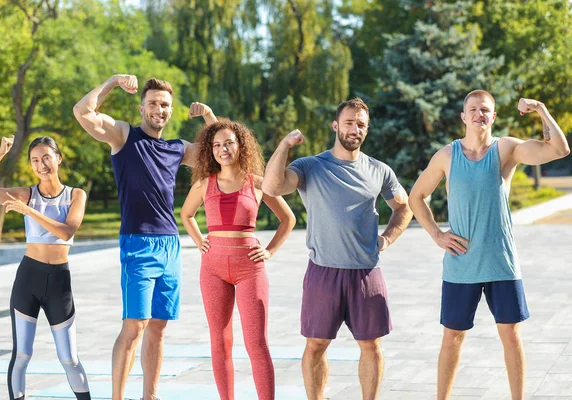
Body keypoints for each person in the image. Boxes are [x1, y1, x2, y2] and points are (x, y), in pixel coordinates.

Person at [408, 90, 570, 400]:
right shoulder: (447, 155)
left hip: (501, 262)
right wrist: (436, 234)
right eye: (473, 109)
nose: (479, 114)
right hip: (461, 264)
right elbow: (416, 196)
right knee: (452, 338)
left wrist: (540, 109)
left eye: (485, 109)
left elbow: (559, 149)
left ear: (493, 117)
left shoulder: (506, 149)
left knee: (511, 336)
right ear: (464, 116)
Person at [73, 74, 217, 400]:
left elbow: (224, 152)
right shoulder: (124, 136)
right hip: (138, 244)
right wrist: (111, 81)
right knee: (134, 325)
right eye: (152, 103)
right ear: (142, 107)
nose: (159, 109)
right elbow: (82, 111)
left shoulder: (177, 148)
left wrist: (208, 116)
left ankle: (149, 396)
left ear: (171, 110)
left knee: (159, 327)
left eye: (164, 104)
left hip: (170, 245)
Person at [262, 98, 413, 400]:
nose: (354, 129)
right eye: (349, 122)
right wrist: (284, 146)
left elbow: (404, 207)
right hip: (323, 272)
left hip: (366, 273)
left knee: (371, 345)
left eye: (361, 125)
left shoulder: (379, 170)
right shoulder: (310, 167)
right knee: (316, 344)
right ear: (336, 125)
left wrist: (386, 239)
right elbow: (273, 187)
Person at [180, 119, 295, 400]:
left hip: (249, 268)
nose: (223, 149)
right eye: (217, 145)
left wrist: (269, 251)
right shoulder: (203, 184)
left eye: (229, 143)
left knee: (256, 343)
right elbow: (186, 215)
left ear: (240, 145)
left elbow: (288, 219)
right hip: (213, 268)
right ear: (211, 150)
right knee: (220, 342)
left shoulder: (257, 183)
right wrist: (199, 241)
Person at [0, 136, 91, 400]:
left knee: (69, 358)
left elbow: (66, 231)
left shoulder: (75, 195)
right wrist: (0, 154)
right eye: (35, 161)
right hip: (29, 278)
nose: (42, 165)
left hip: (59, 282)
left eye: (47, 158)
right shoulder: (26, 193)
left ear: (59, 159)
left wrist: (28, 211)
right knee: (22, 355)